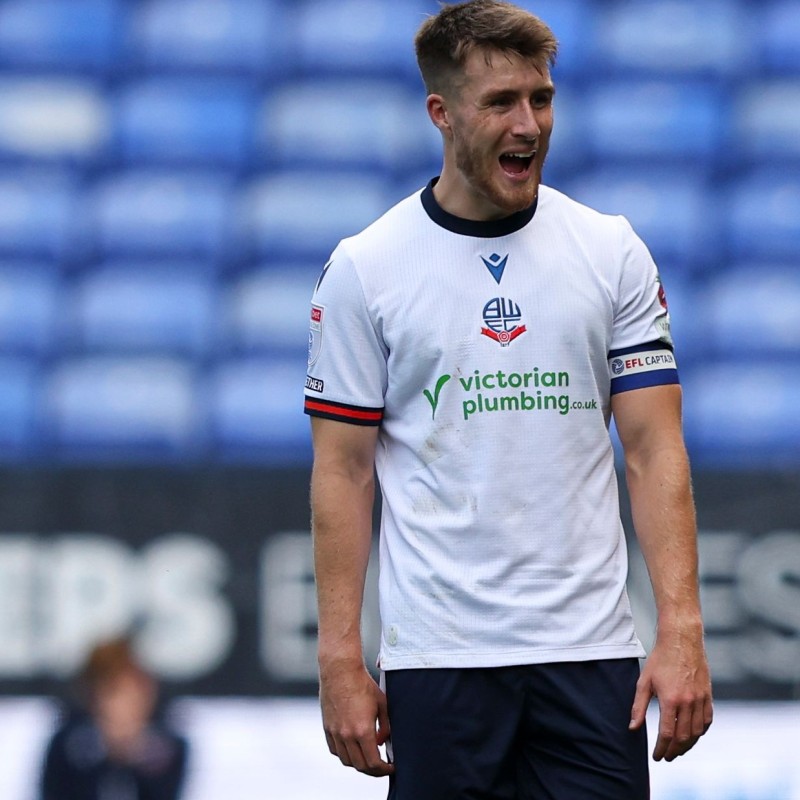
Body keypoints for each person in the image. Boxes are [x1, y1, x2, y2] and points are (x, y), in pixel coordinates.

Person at [304, 1, 713, 797]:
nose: (529, 125)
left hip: (592, 658)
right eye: (500, 103)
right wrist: (340, 660)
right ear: (442, 112)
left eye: (542, 98)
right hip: (440, 659)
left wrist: (682, 629)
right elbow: (342, 472)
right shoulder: (367, 267)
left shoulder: (610, 250)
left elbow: (655, 448)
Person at [40, 636, 188, 800]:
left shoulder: (166, 748)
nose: (126, 704)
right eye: (115, 693)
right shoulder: (68, 746)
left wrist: (130, 753)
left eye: (135, 692)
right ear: (94, 696)